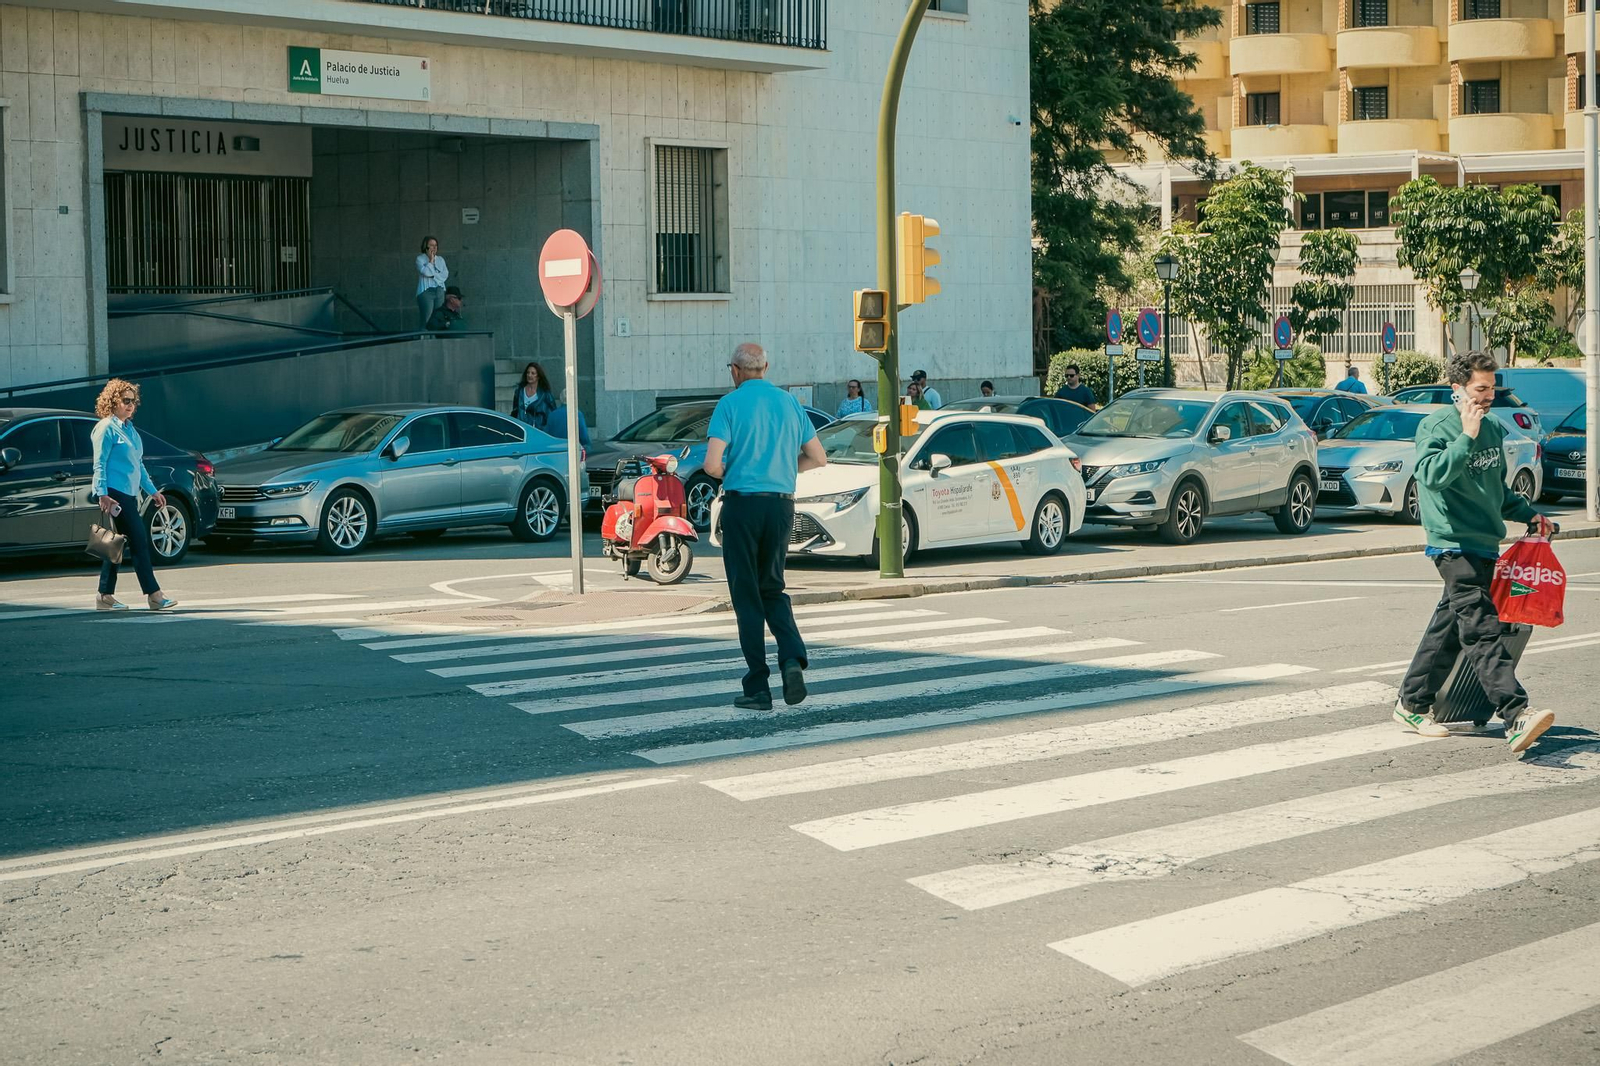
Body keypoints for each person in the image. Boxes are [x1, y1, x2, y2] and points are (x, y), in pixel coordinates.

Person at [1395, 351, 1555, 753]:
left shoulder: (1494, 429)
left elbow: (1496, 490)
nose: (1487, 397)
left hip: (1484, 541)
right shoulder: (1438, 426)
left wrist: (1529, 514)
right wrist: (1465, 436)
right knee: (1481, 627)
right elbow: (1431, 477)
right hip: (1451, 542)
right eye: (1480, 389)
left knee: (1447, 628)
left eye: (1491, 389)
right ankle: (1515, 712)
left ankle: (1413, 704)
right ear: (1457, 390)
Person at [704, 343, 828, 711]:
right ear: (767, 367)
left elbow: (711, 465)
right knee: (773, 588)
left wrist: (736, 470)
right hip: (780, 506)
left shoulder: (729, 404)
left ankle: (758, 687)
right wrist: (786, 468)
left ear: (735, 371)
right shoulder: (790, 404)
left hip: (743, 505)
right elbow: (818, 457)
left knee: (746, 597)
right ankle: (791, 658)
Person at [89, 380, 177, 612]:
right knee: (138, 541)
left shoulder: (129, 430)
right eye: (126, 401)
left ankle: (104, 596)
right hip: (115, 495)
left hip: (128, 495)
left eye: (133, 401)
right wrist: (102, 494)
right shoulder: (106, 428)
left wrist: (153, 491)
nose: (130, 405)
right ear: (113, 401)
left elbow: (138, 465)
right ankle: (154, 595)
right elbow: (99, 464)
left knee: (115, 545)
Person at [511, 362, 557, 431]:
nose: (529, 375)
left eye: (533, 373)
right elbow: (515, 410)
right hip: (521, 429)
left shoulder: (545, 394)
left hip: (538, 430)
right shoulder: (519, 391)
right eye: (528, 373)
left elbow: (552, 411)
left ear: (538, 376)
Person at [415, 235, 449, 327]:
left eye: (436, 245)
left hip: (439, 290)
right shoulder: (420, 259)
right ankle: (423, 339)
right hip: (426, 291)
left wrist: (433, 275)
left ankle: (434, 340)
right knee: (427, 318)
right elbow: (426, 272)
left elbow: (445, 275)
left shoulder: (441, 260)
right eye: (431, 245)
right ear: (426, 246)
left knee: (438, 318)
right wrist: (431, 260)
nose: (434, 247)